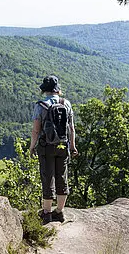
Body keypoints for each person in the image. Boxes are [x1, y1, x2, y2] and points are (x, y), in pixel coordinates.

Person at [29, 75, 78, 224]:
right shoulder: (66, 103)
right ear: (57, 89)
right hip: (63, 145)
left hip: (46, 146)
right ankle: (59, 212)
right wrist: (73, 146)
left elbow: (36, 130)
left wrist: (32, 146)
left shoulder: (41, 105)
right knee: (62, 177)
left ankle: (47, 213)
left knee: (47, 177)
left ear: (45, 90)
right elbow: (71, 128)